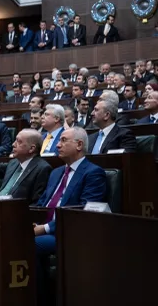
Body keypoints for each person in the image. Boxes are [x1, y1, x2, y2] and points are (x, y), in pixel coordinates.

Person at [33, 127, 106, 299]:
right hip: (44, 227)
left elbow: (82, 213)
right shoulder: (56, 172)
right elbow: (42, 203)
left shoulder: (93, 173)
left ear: (79, 145)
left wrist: (44, 228)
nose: (58, 145)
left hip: (68, 233)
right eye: (59, 140)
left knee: (26, 244)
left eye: (63, 140)